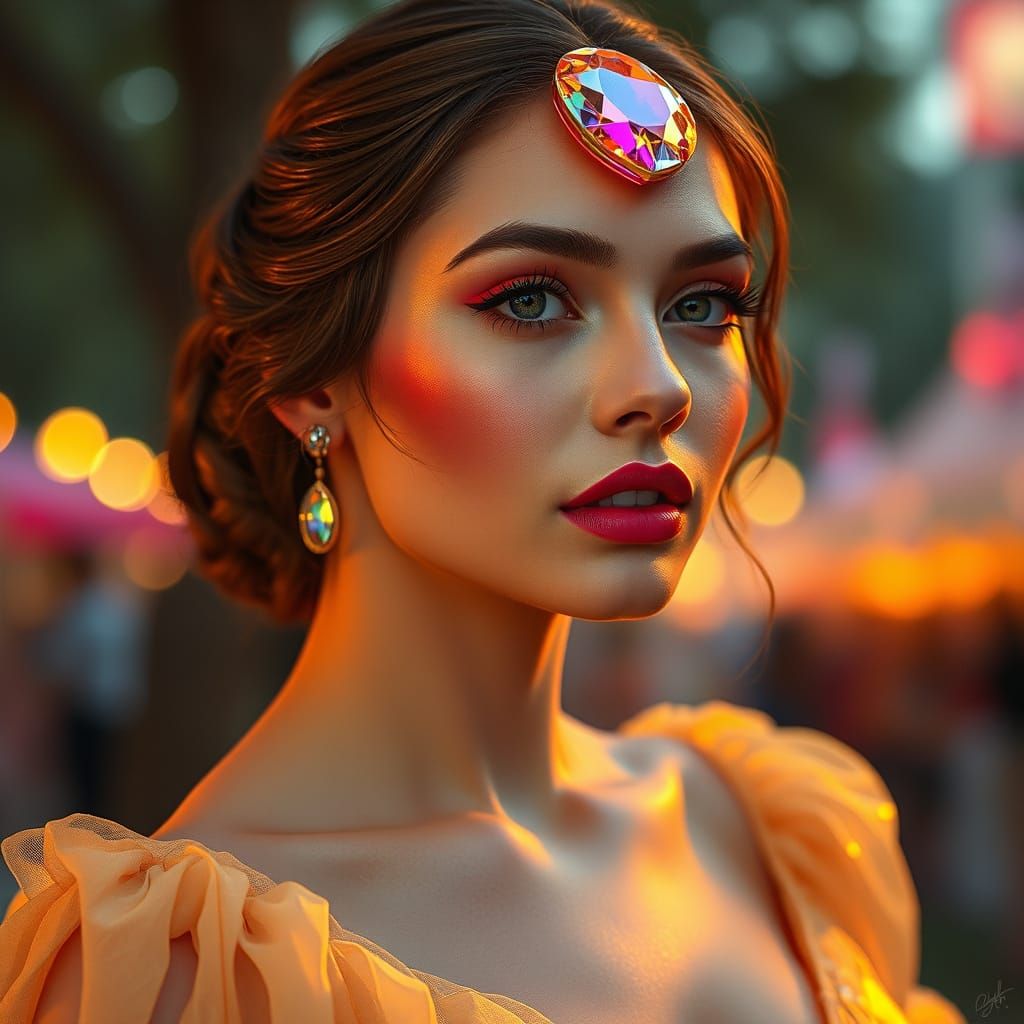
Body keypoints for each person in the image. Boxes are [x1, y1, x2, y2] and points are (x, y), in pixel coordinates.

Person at [0, 0, 966, 1020]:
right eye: (530, 300)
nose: (659, 386)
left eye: (701, 305)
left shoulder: (774, 827)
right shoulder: (178, 976)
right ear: (313, 378)